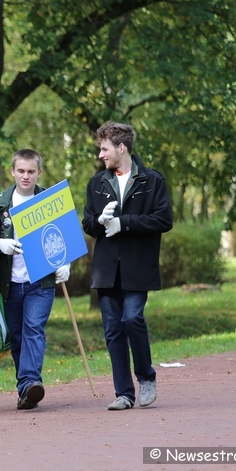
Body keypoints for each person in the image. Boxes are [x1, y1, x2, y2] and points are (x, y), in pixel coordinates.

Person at [81, 121, 172, 411]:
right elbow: (88, 225)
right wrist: (100, 220)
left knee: (132, 319)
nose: (101, 155)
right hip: (106, 270)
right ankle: (124, 393)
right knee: (112, 329)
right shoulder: (97, 184)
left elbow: (163, 220)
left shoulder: (152, 181)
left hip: (138, 267)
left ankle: (146, 378)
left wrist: (124, 223)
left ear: (121, 148)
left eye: (105, 149)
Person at [0, 149, 71, 410]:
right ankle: (26, 389)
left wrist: (66, 263)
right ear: (12, 171)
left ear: (39, 172)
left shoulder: (49, 200)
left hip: (41, 281)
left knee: (34, 329)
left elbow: (64, 236)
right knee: (18, 336)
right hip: (11, 282)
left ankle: (31, 381)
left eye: (31, 171)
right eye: (21, 171)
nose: (26, 176)